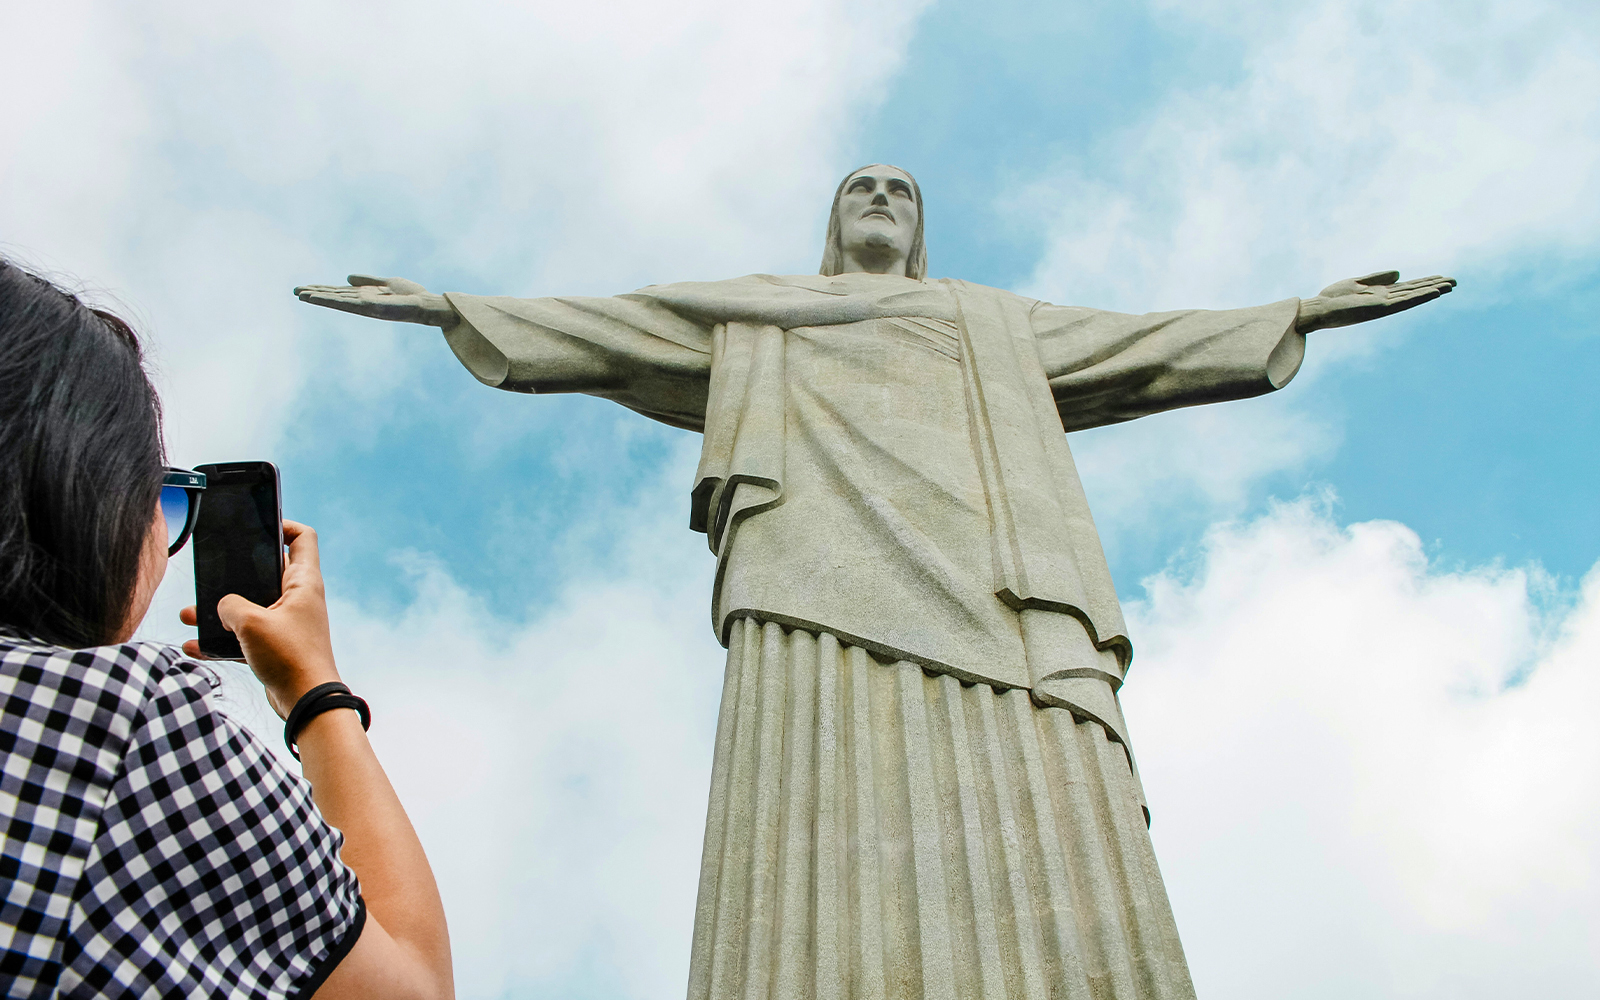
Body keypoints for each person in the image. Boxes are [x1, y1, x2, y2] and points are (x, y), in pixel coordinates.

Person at [294, 164, 1455, 1000]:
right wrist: (451, 307)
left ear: (920, 230)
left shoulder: (991, 323)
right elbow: (614, 326)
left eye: (900, 192)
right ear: (832, 225)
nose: (881, 201)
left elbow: (1141, 346)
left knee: (1044, 807)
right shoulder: (757, 312)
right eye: (861, 189)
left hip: (1000, 591)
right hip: (809, 581)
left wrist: (1296, 314)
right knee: (813, 794)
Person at [0, 257, 453, 999]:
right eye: (163, 496)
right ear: (76, 486)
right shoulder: (114, 722)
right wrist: (314, 689)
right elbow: (412, 990)